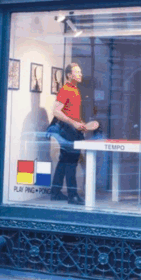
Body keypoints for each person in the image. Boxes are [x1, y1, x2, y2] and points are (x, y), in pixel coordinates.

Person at [46, 63, 87, 204]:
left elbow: (72, 112)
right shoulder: (65, 90)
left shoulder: (75, 90)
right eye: (77, 72)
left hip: (73, 128)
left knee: (64, 162)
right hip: (68, 130)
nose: (81, 74)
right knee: (71, 162)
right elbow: (56, 111)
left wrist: (80, 123)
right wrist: (73, 123)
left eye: (80, 71)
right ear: (69, 75)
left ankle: (55, 192)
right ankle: (72, 196)